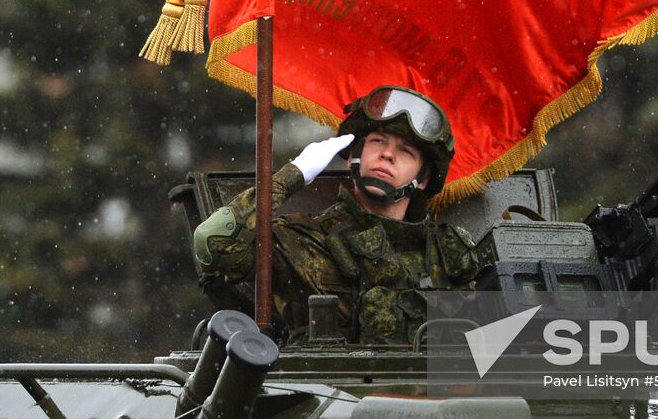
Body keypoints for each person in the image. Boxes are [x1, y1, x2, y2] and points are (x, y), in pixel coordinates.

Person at [192, 86, 481, 344]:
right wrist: (290, 177)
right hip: (333, 398)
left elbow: (503, 354)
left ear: (423, 179)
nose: (387, 155)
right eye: (378, 141)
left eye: (405, 151)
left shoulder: (449, 254)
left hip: (441, 399)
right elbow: (213, 241)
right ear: (354, 154)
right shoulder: (306, 241)